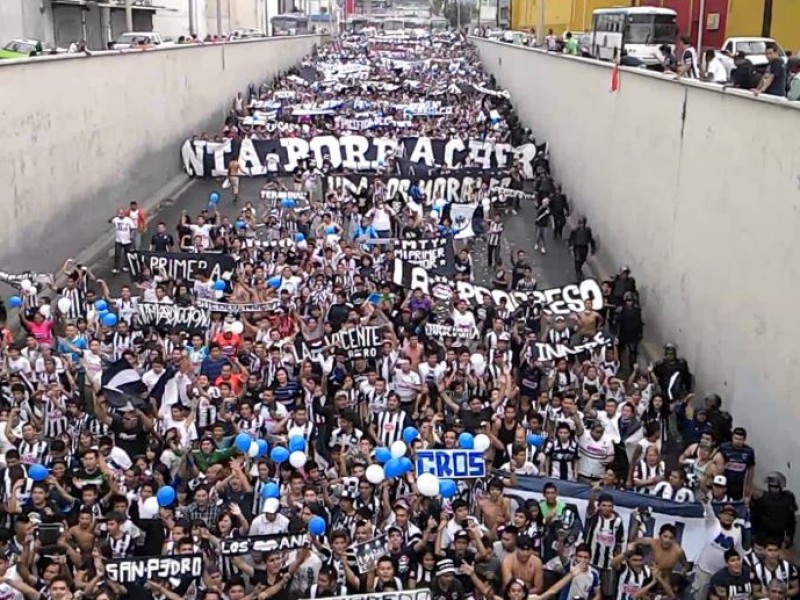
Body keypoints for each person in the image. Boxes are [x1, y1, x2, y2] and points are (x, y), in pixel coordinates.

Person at [567, 217, 596, 281]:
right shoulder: (575, 231)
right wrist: (570, 246)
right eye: (580, 223)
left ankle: (579, 269)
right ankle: (578, 272)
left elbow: (591, 239)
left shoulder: (588, 230)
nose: (581, 225)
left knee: (583, 259)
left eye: (582, 223)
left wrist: (593, 248)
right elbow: (571, 239)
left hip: (584, 247)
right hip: (577, 247)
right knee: (577, 260)